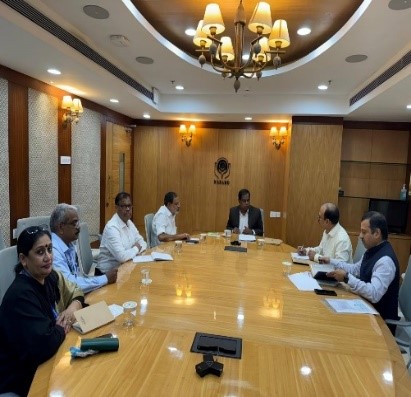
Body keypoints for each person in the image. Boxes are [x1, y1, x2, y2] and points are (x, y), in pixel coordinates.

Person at [0, 226, 86, 396]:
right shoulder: (20, 296)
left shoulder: (49, 276)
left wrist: (70, 310)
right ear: (24, 259)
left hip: (44, 360)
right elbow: (44, 344)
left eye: (49, 249)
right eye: (40, 252)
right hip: (20, 379)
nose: (48, 257)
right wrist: (62, 326)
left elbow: (77, 292)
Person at [323, 211, 400, 333]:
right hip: (365, 307)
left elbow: (374, 294)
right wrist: (330, 261)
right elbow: (355, 269)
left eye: (364, 232)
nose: (360, 236)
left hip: (379, 323)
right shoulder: (372, 250)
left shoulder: (385, 261)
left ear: (377, 233)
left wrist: (347, 278)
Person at [50, 203, 117, 293]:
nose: (78, 227)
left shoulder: (69, 244)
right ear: (61, 227)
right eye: (74, 223)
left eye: (78, 222)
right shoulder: (52, 250)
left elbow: (77, 278)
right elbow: (69, 285)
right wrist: (105, 279)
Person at [97, 192, 147, 273]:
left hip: (125, 269)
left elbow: (143, 243)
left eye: (129, 206)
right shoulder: (112, 227)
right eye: (124, 206)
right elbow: (122, 257)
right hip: (107, 274)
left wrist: (132, 251)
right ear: (116, 207)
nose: (127, 209)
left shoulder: (129, 222)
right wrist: (136, 248)